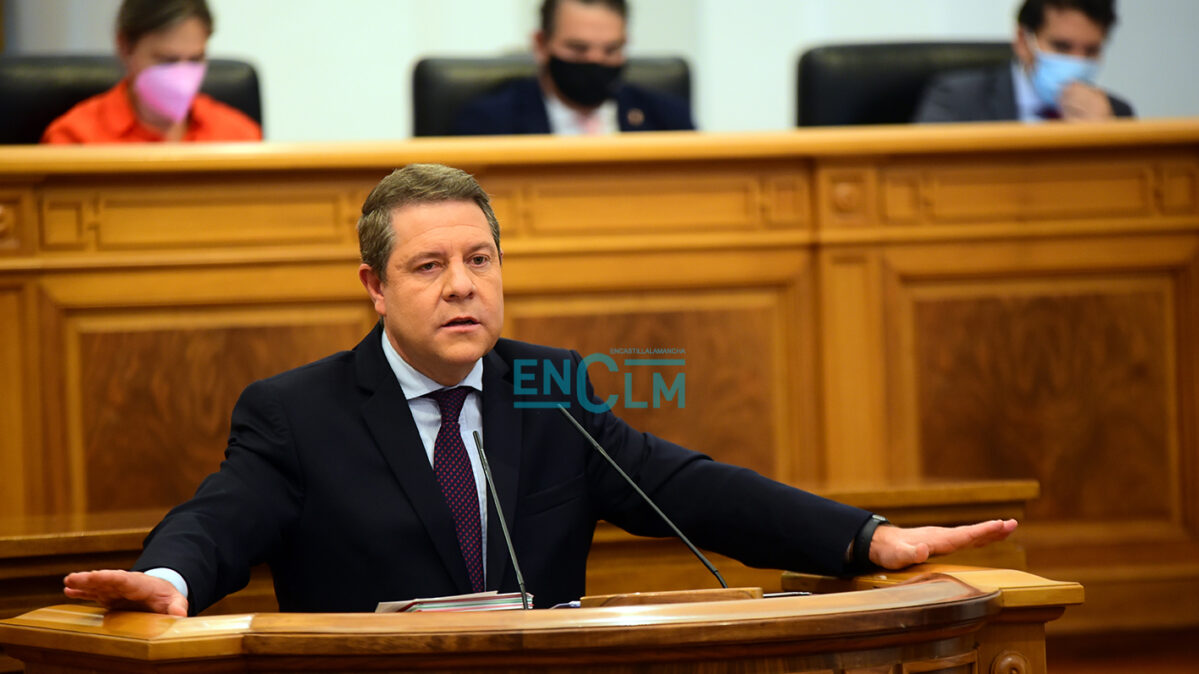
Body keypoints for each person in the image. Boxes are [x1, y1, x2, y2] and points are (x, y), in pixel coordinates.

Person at [63, 164, 1016, 617]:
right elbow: (223, 515)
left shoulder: (545, 388)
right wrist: (169, 579)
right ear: (374, 286)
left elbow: (683, 487)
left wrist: (870, 538)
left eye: (480, 259)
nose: (463, 285)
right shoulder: (297, 411)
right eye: (430, 265)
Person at [453, 0, 694, 135]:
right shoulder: (488, 124)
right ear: (541, 44)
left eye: (611, 50)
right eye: (578, 49)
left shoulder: (668, 120)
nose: (595, 60)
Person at [41, 0, 261, 144]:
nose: (182, 79)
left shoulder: (240, 138)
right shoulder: (74, 139)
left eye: (194, 60)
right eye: (167, 61)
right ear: (125, 47)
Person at [913, 0, 1133, 123]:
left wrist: (1106, 138)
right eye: (1061, 47)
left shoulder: (1117, 115)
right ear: (1022, 41)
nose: (1077, 61)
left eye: (1091, 50)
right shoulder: (958, 102)